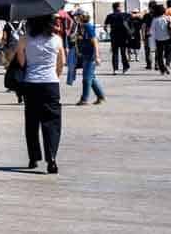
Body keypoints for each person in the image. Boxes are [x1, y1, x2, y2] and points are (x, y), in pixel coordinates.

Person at [16, 14, 65, 174]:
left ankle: (33, 157)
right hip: (51, 84)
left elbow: (21, 62)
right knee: (52, 122)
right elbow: (61, 63)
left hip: (31, 83)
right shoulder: (56, 39)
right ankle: (51, 158)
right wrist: (55, 76)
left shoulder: (25, 39)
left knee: (32, 121)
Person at [76, 11, 105, 105]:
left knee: (86, 78)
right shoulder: (81, 27)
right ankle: (101, 96)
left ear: (82, 17)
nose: (76, 18)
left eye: (77, 16)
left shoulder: (88, 26)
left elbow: (95, 41)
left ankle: (84, 99)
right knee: (91, 78)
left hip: (91, 56)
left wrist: (97, 56)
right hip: (85, 55)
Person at [103, 2, 133, 74]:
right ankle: (125, 67)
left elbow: (105, 27)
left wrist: (108, 32)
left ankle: (115, 69)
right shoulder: (125, 15)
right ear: (119, 7)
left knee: (115, 53)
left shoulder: (110, 16)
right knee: (123, 53)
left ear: (113, 8)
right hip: (123, 36)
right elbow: (132, 19)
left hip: (114, 36)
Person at [151, 3, 171, 75]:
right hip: (168, 37)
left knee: (159, 54)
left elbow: (152, 31)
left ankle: (162, 69)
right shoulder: (168, 18)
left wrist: (152, 42)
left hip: (158, 39)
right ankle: (167, 64)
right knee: (169, 52)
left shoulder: (155, 20)